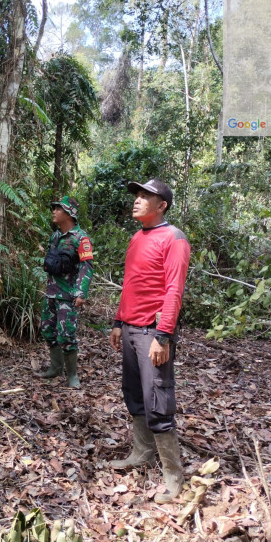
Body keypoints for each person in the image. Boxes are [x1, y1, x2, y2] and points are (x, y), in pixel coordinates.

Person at [108, 179, 191, 504]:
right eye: (137, 195)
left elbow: (174, 291)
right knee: (134, 394)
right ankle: (141, 454)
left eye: (146, 196)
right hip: (131, 329)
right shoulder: (136, 237)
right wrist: (119, 321)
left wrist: (163, 335)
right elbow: (131, 283)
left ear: (162, 205)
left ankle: (173, 477)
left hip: (152, 334)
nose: (138, 200)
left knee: (158, 400)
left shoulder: (174, 239)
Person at [37, 196, 94, 388]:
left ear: (69, 213)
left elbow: (86, 266)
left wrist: (81, 292)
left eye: (58, 208)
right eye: (54, 208)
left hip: (68, 295)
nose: (54, 211)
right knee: (47, 330)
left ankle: (72, 376)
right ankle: (55, 368)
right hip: (51, 293)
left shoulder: (80, 238)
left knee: (67, 335)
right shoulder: (55, 237)